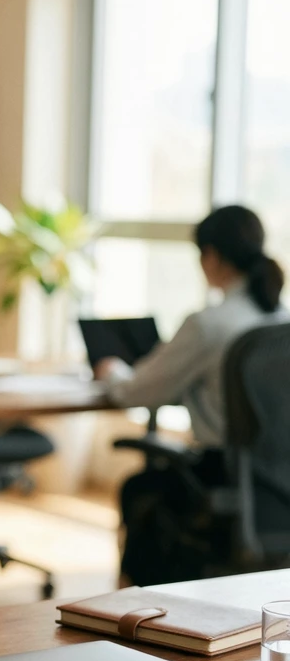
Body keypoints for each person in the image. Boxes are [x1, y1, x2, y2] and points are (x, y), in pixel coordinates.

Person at [96, 204, 289, 586]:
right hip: (280, 480)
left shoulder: (208, 324)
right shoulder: (282, 321)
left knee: (140, 489)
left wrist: (112, 371)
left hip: (225, 475)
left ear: (211, 256)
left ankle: (134, 612)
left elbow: (136, 392)